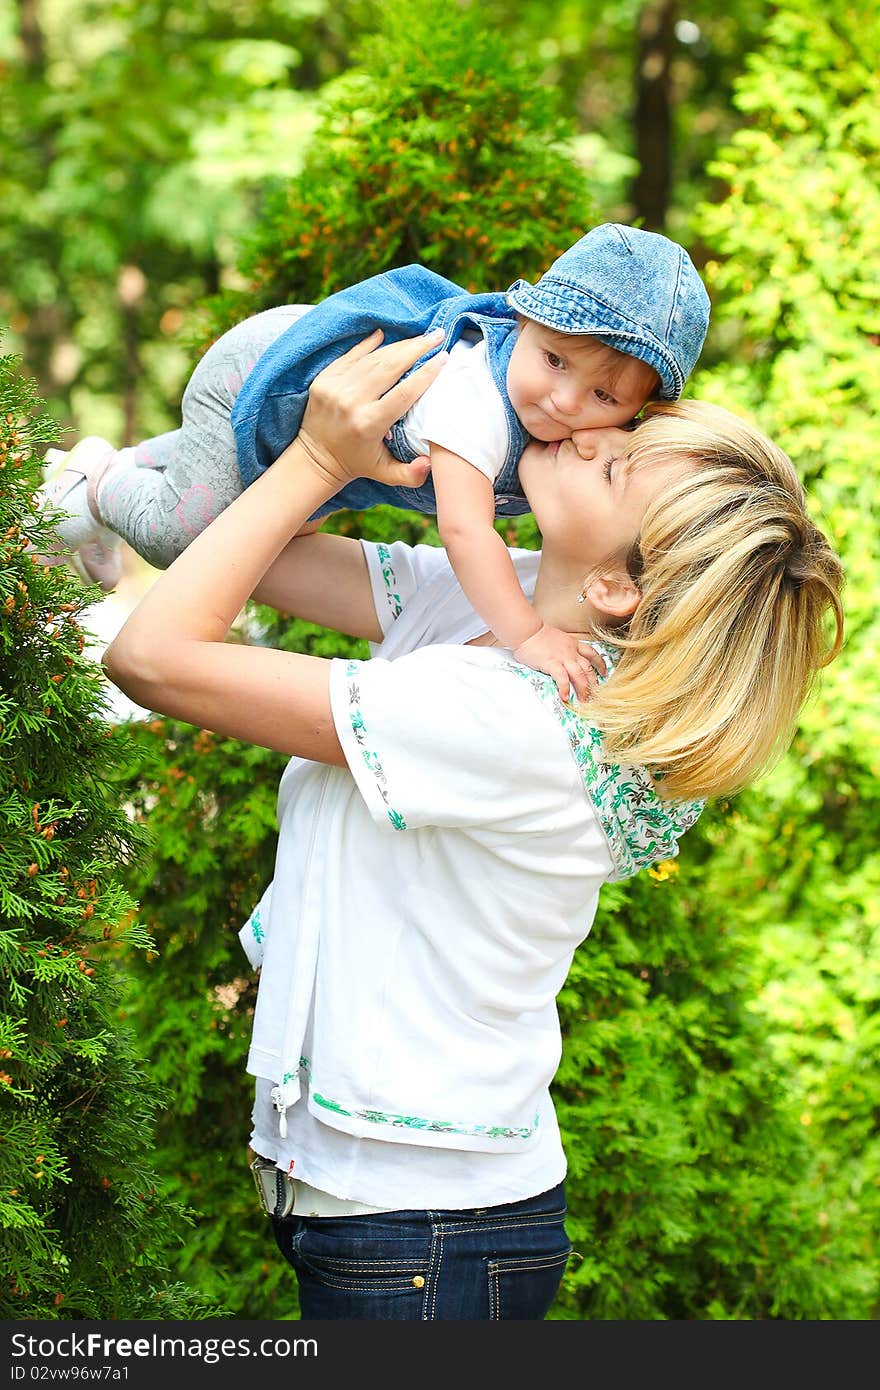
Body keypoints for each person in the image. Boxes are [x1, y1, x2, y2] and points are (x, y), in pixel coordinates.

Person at [101, 330, 844, 1321]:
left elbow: (152, 656)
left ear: (621, 586)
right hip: (401, 1217)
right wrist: (316, 436)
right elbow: (232, 550)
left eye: (617, 461)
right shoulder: (514, 605)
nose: (589, 429)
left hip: (422, 1236)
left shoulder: (522, 718)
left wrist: (319, 463)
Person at [42, 223, 710, 700]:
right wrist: (529, 635)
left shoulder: (558, 430)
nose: (564, 403)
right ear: (521, 323)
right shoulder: (476, 398)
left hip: (315, 412)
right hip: (268, 375)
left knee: (237, 504)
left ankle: (129, 471)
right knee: (179, 538)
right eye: (554, 360)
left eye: (603, 394)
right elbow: (465, 531)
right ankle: (100, 484)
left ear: (637, 410)